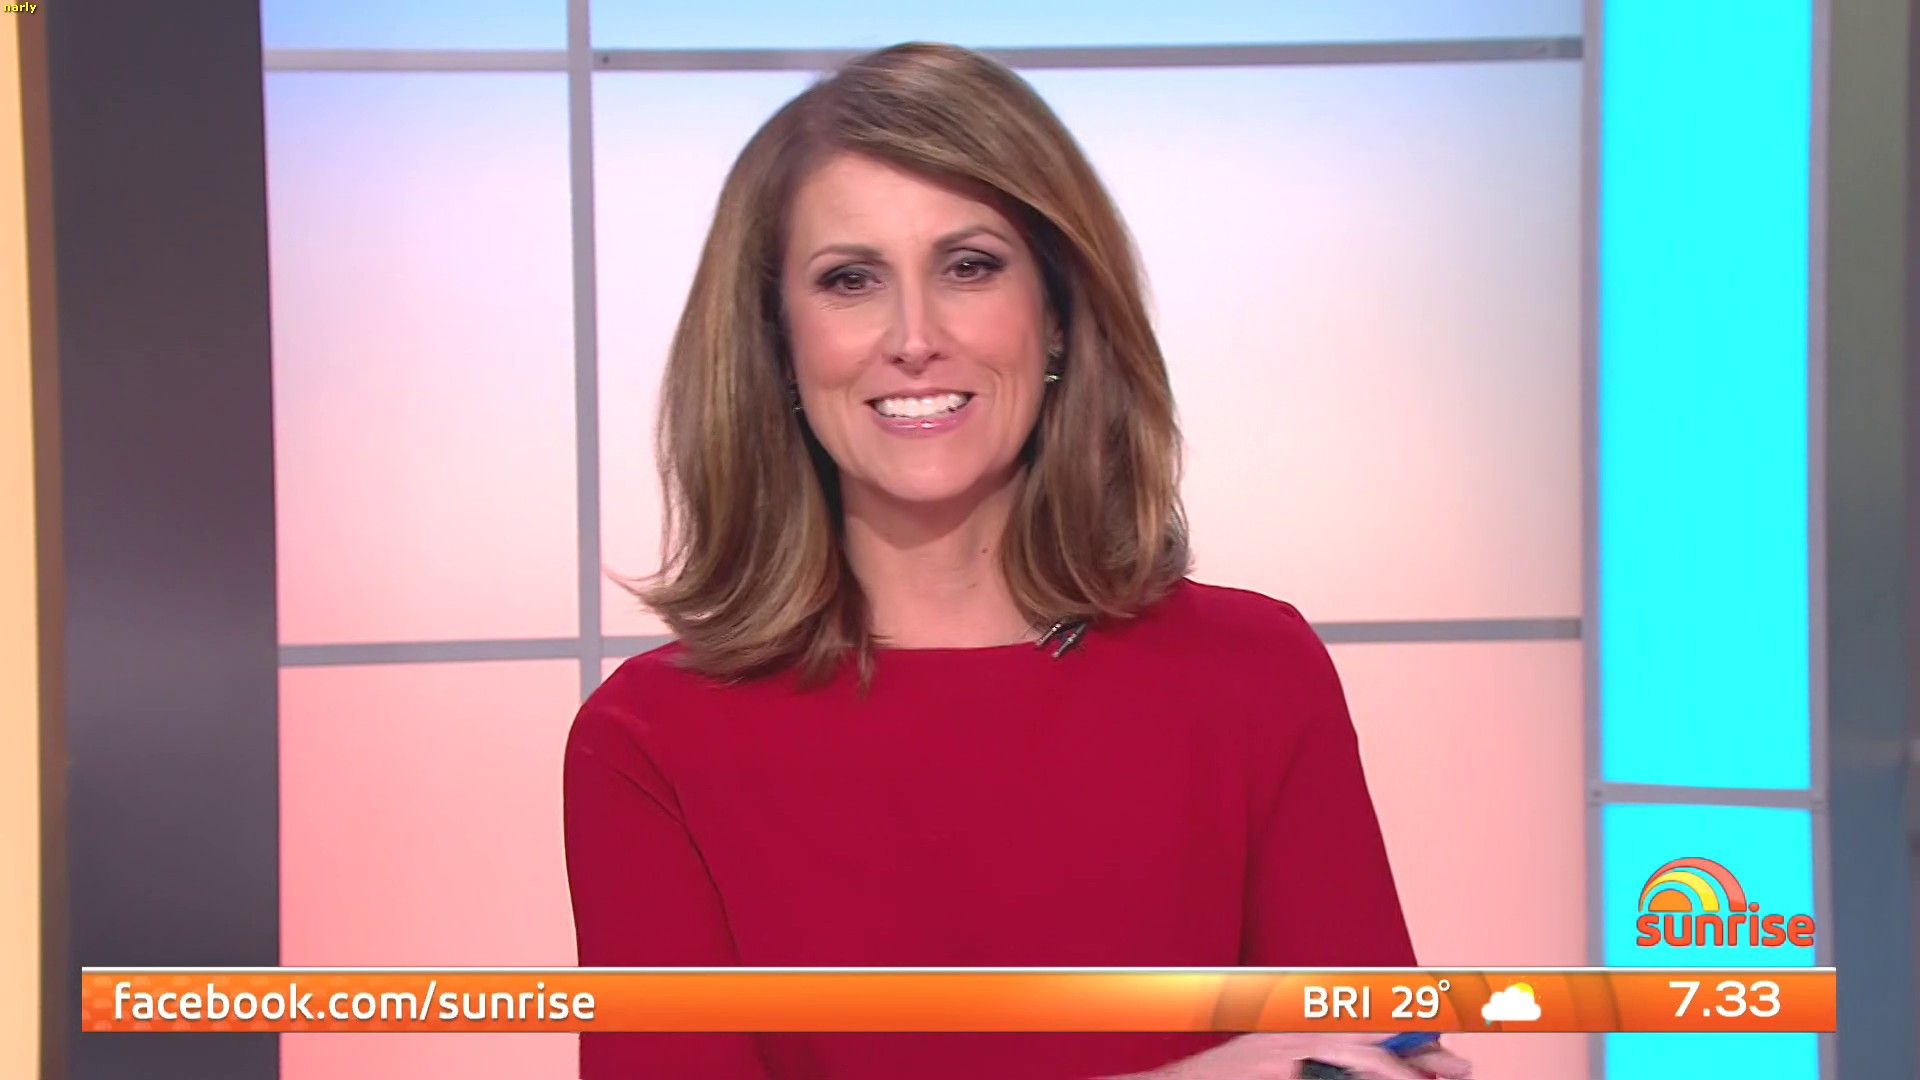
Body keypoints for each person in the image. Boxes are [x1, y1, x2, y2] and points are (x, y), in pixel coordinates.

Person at [563, 40, 1470, 1080]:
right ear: (776, 346)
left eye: (969, 266)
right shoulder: (649, 743)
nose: (914, 337)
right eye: (851, 280)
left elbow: (1368, 1051)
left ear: (1059, 317)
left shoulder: (1255, 673)